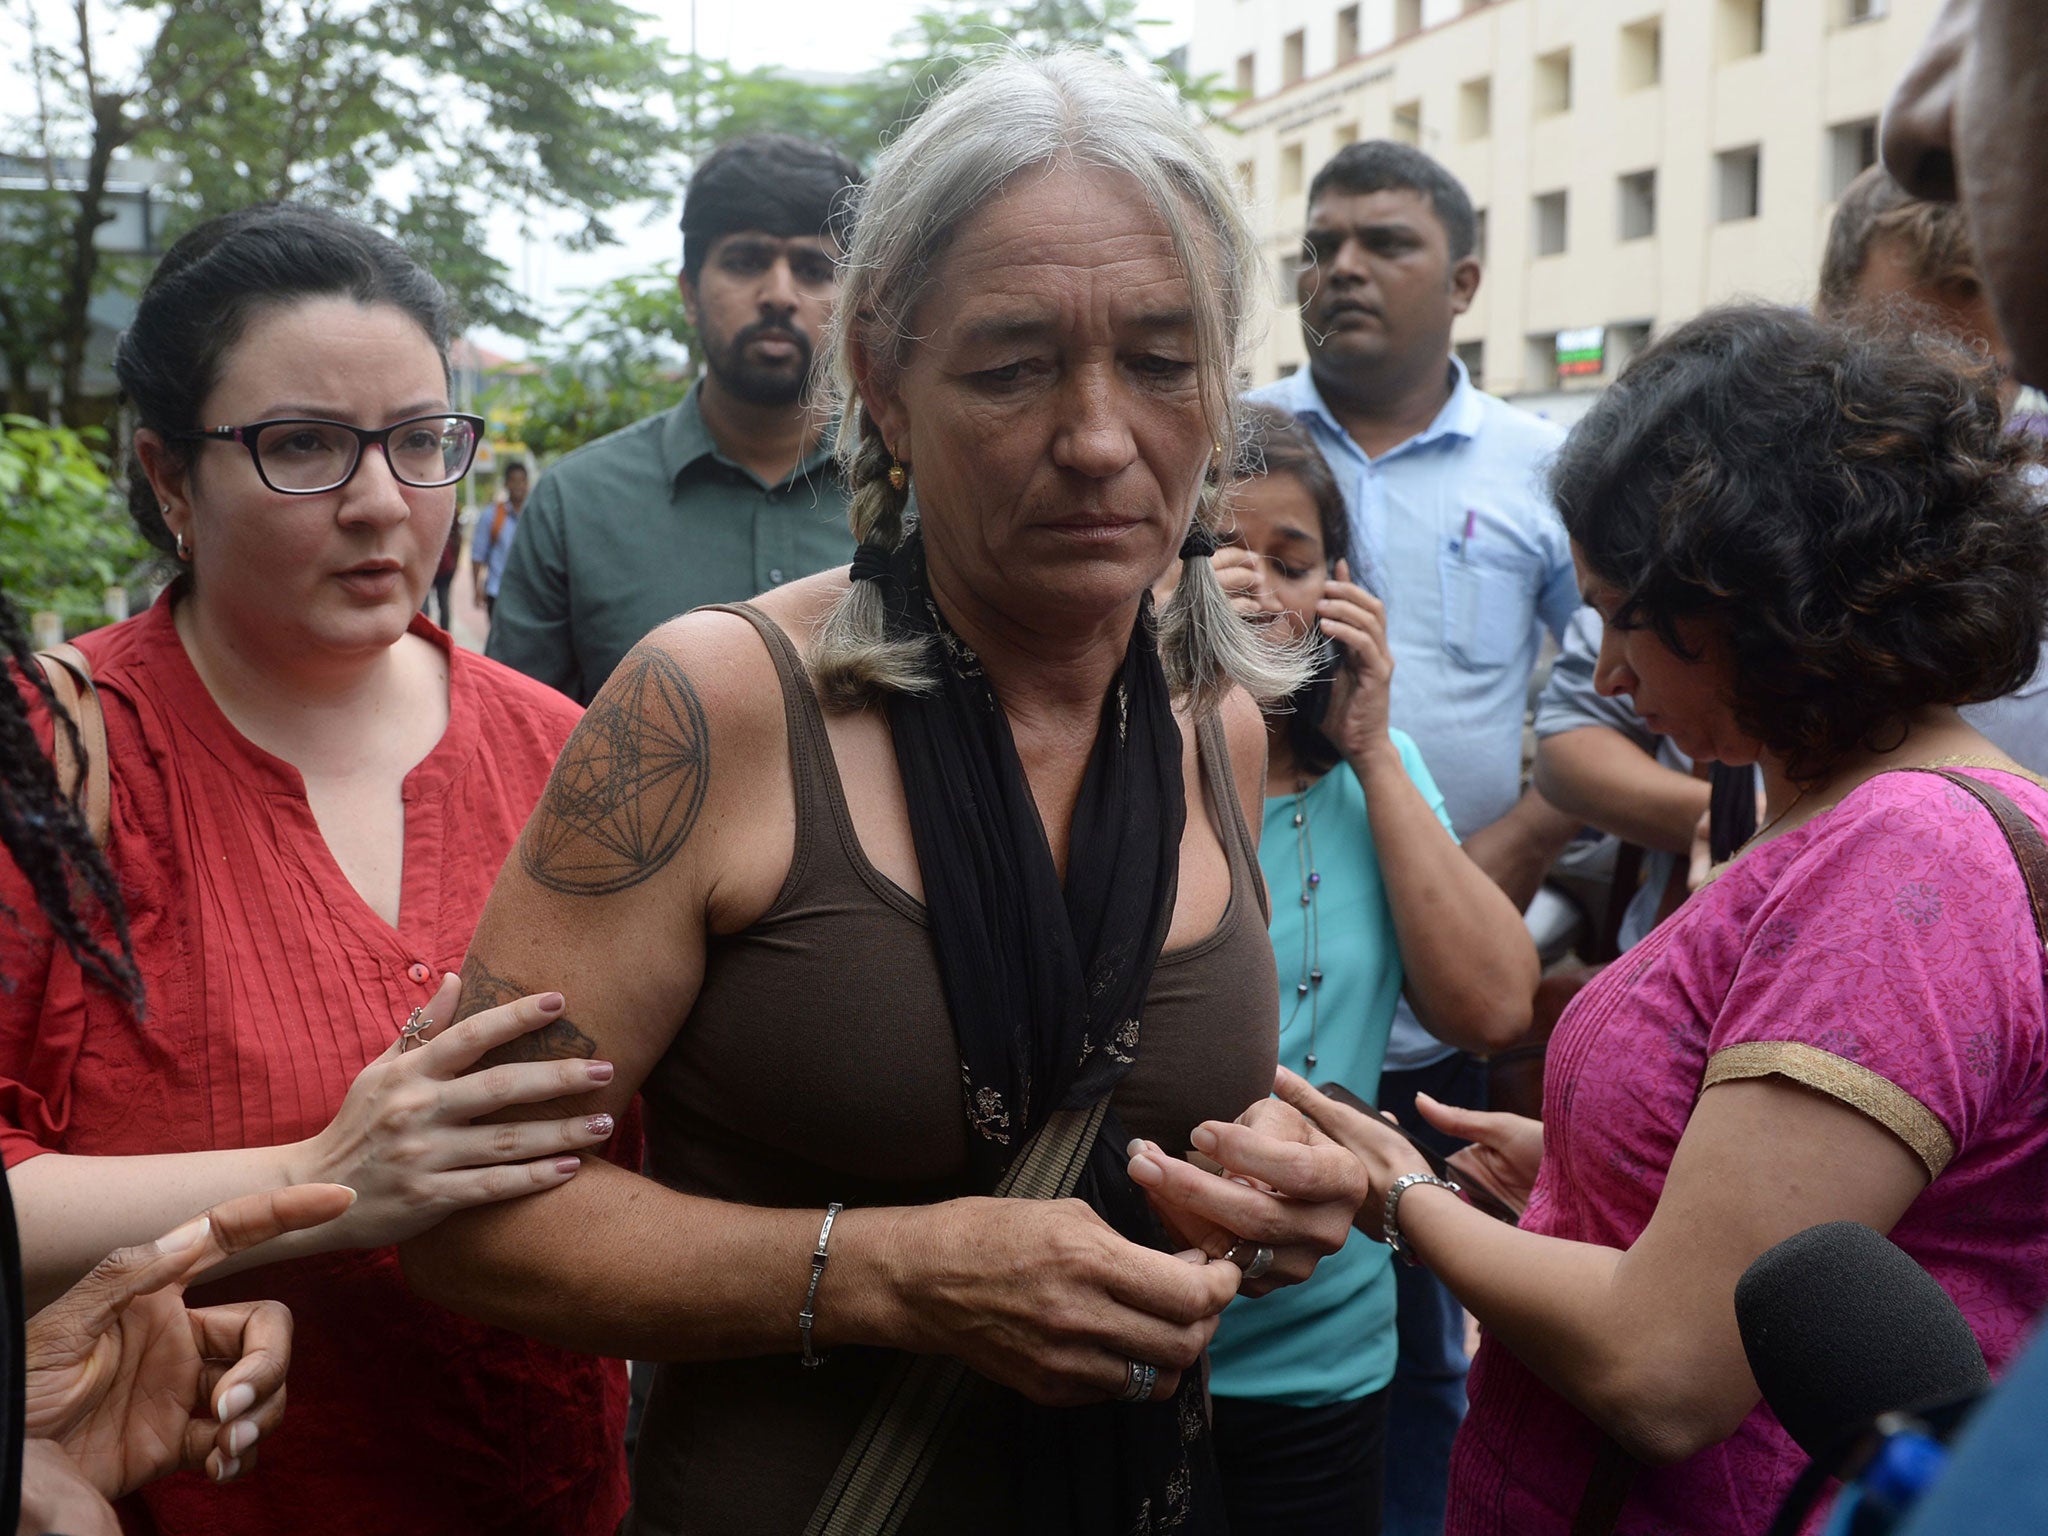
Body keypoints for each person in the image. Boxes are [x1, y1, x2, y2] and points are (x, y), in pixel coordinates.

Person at [402, 51, 1373, 1536]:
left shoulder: (1214, 727)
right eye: (1014, 366)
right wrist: (889, 1272)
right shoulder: (711, 708)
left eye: (1166, 363)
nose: (1104, 437)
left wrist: (1273, 1196)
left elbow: (1168, 1120)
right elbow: (465, 1218)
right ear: (884, 381)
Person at [1151, 303, 2048, 1534]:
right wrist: (1584, 1193)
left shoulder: (1905, 857)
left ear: (1759, 596)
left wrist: (1396, 1193)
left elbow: (1665, 1370)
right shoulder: (1837, 815)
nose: (1609, 677)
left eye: (1625, 615)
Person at [0, 203, 642, 1535]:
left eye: (421, 442)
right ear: (169, 479)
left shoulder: (576, 761)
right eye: (302, 446)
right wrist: (325, 1174)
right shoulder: (50, 764)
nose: (378, 501)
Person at [1248, 137, 1578, 1532]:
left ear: (1462, 280)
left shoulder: (1544, 465)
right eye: (1318, 246)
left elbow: (1600, 701)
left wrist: (1468, 843)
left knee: (1421, 1332)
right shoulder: (1232, 422)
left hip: (1423, 967)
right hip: (1145, 1303)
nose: (1339, 269)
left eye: (1293, 560)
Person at [1535, 164, 2048, 947]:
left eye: (1994, 365)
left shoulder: (1904, 858)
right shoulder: (1707, 492)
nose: (1952, 396)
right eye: (1909, 350)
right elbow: (1575, 737)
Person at [1198, 404, 1536, 1535]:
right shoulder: (1092, 772)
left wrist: (1374, 748)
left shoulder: (1366, 781)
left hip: (1321, 1355)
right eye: (1212, 558)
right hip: (1129, 1326)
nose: (1253, 590)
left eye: (1288, 562)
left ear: (1338, 591)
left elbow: (1489, 1005)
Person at [488, 135, 865, 703]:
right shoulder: (576, 506)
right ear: (689, 292)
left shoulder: (920, 493)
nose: (779, 295)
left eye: (813, 268)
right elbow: (520, 751)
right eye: (746, 262)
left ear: (854, 299)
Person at [469, 460, 526, 621]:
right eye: (514, 480)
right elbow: (477, 555)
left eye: (522, 480)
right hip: (498, 592)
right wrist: (476, 588)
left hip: (529, 594)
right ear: (507, 484)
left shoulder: (535, 514)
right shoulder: (491, 515)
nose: (518, 486)